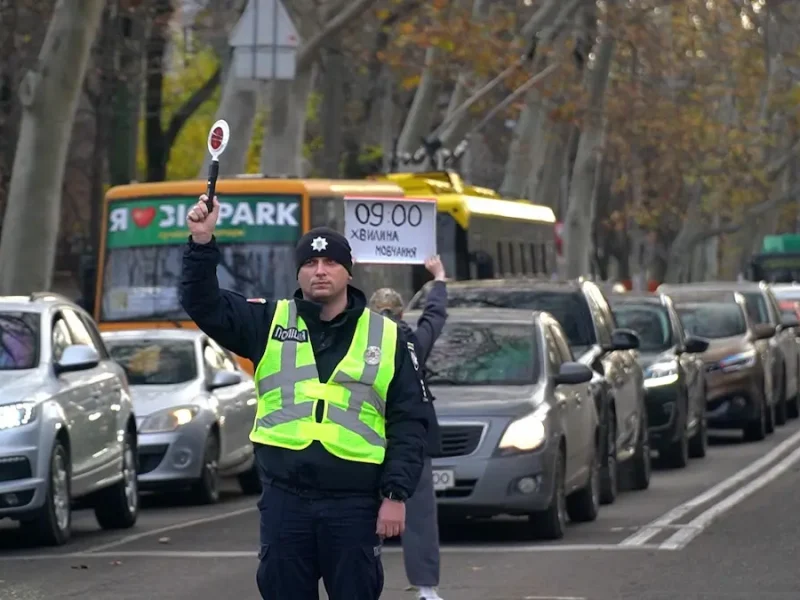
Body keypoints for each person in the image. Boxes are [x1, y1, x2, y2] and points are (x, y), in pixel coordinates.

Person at [180, 194, 429, 600]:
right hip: (286, 500)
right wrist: (202, 243)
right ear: (298, 274)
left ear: (348, 272)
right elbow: (203, 304)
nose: (320, 271)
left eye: (331, 262)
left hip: (353, 504)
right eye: (310, 264)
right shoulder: (268, 321)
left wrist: (395, 495)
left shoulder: (388, 337)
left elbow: (408, 422)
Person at [368, 256, 448, 600]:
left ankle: (361, 584)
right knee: (419, 518)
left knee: (360, 518)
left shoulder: (360, 343)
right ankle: (426, 588)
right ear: (402, 314)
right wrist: (439, 279)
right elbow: (435, 316)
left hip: (366, 436)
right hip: (413, 440)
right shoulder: (414, 342)